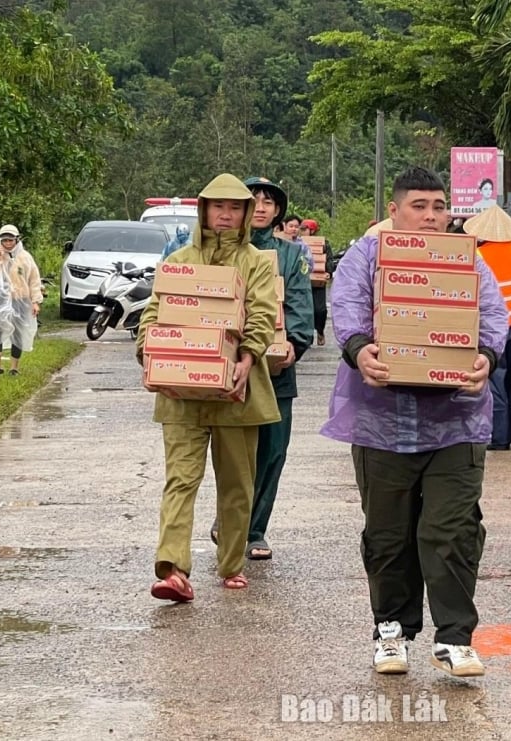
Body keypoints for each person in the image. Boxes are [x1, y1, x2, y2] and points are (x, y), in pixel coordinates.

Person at [321, 166, 508, 678]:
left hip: (457, 420)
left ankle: (455, 637)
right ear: (395, 211)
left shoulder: (467, 260)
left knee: (452, 529)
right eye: (419, 206)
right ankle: (391, 630)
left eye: (439, 207)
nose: (430, 216)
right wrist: (360, 352)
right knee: (388, 535)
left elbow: (495, 315)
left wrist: (486, 359)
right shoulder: (368, 255)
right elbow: (347, 307)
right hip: (383, 421)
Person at [135, 173, 280, 601]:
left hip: (239, 391)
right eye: (218, 207)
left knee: (237, 483)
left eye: (235, 208)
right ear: (203, 211)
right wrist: (150, 352)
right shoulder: (178, 259)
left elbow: (262, 314)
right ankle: (173, 567)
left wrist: (247, 357)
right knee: (180, 479)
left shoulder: (255, 262)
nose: (226, 215)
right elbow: (154, 311)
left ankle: (231, 562)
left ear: (246, 215)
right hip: (181, 396)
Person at [213, 176, 315, 561]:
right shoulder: (220, 252)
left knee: (272, 453)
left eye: (269, 201)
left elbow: (300, 306)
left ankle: (254, 531)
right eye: (253, 199)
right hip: (226, 369)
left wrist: (295, 343)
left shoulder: (291, 256)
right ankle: (228, 519)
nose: (262, 205)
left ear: (278, 211)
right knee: (232, 453)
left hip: (276, 374)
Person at [463, 206, 511, 451]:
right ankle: (508, 433)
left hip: (495, 327)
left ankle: (499, 436)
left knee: (496, 380)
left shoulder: (479, 254)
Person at [0, 224, 43, 376]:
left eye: (10, 240)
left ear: (16, 239)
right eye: (4, 240)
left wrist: (35, 302)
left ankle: (14, 367)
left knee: (17, 332)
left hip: (20, 299)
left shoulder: (25, 257)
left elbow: (34, 280)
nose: (8, 243)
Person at [300, 218, 335, 346]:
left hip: (318, 282)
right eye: (301, 229)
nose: (301, 232)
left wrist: (328, 272)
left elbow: (329, 260)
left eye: (304, 229)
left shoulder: (323, 244)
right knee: (304, 310)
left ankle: (320, 330)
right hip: (302, 282)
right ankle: (306, 337)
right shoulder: (297, 243)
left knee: (320, 310)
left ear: (312, 231)